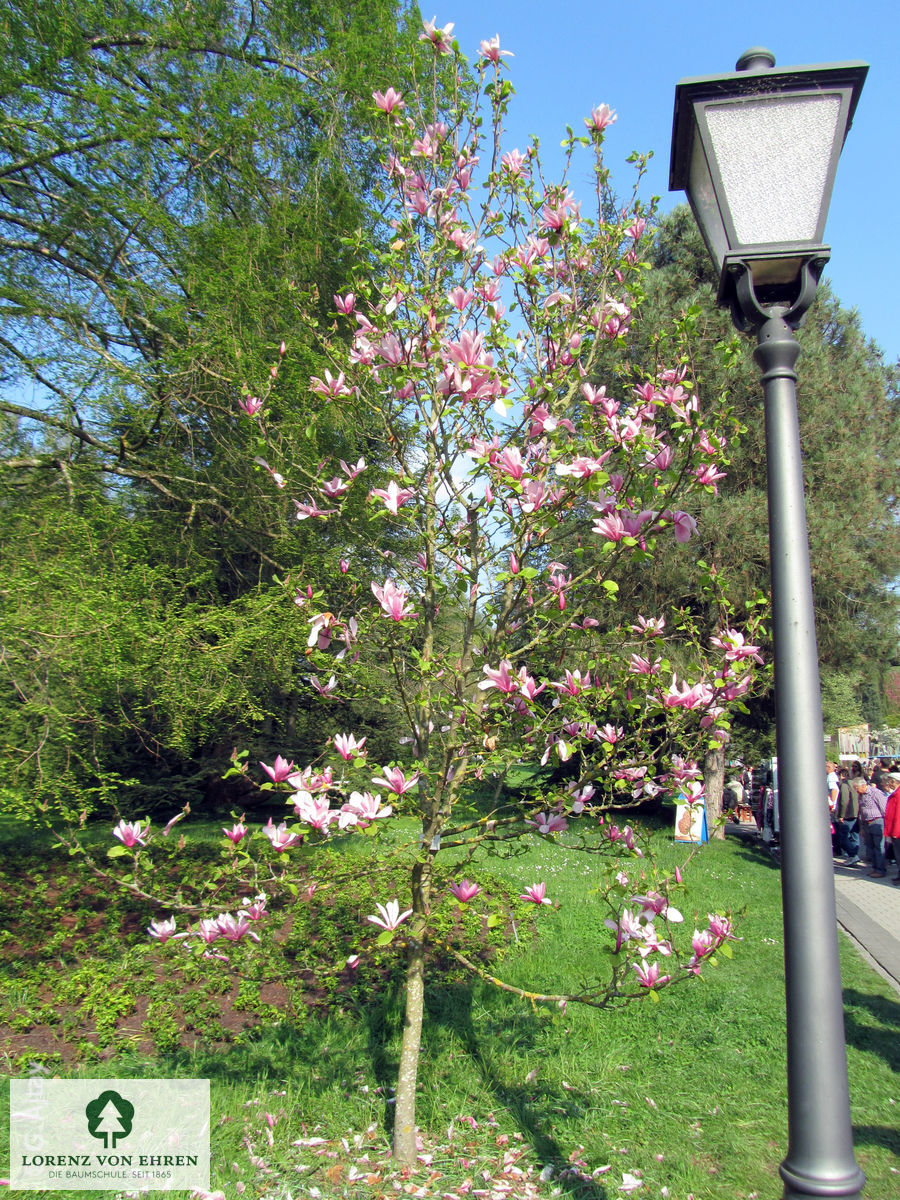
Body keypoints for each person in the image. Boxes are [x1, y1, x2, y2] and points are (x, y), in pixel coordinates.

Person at [854, 776, 889, 878]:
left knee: (879, 847)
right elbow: (861, 811)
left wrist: (886, 824)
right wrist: (861, 827)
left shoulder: (875, 793)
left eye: (857, 788)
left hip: (877, 822)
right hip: (866, 824)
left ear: (863, 785)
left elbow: (884, 809)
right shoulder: (861, 795)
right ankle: (875, 868)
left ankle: (880, 870)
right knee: (870, 847)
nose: (856, 790)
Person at [834, 766, 860, 866]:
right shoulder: (853, 783)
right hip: (855, 813)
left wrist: (841, 815)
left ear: (841, 775)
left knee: (843, 836)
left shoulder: (844, 785)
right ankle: (854, 854)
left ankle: (853, 855)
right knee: (854, 835)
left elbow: (844, 801)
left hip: (848, 814)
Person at [883, 771, 900, 884]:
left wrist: (895, 831)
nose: (889, 783)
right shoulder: (896, 793)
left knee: (899, 855)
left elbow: (898, 815)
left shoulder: (898, 795)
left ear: (894, 781)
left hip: (897, 831)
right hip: (895, 830)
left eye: (890, 781)